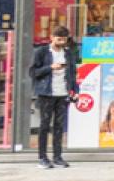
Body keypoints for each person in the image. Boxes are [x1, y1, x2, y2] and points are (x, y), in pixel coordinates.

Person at [28, 26, 80, 169]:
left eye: (64, 39)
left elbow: (72, 74)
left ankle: (57, 157)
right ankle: (42, 158)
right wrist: (50, 67)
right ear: (51, 37)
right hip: (46, 94)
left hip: (63, 94)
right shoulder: (41, 52)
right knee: (44, 126)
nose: (61, 42)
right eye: (59, 39)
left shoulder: (68, 54)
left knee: (59, 127)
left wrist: (75, 90)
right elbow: (33, 72)